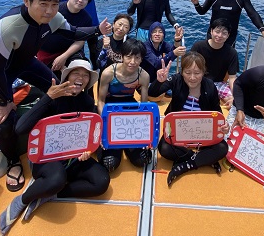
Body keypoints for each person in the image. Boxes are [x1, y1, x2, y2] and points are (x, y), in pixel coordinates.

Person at [0, 0, 111, 193]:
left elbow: (74, 32)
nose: (49, 11)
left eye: (54, 5)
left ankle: (63, 138)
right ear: (27, 1)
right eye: (43, 4)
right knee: (3, 120)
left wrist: (97, 30)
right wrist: (3, 101)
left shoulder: (53, 17)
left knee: (60, 89)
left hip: (25, 62)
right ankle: (13, 162)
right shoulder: (7, 27)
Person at [0, 60, 110, 236]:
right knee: (56, 179)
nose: (81, 78)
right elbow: (20, 129)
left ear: (88, 81)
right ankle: (22, 200)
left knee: (101, 181)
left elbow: (88, 136)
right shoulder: (52, 98)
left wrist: (87, 151)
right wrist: (48, 97)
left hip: (72, 157)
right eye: (76, 73)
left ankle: (49, 194)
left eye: (85, 75)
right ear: (67, 76)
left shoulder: (87, 101)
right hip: (46, 159)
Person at [149, 52, 230, 187]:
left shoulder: (210, 86)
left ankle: (185, 166)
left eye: (197, 73)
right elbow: (152, 93)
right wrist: (159, 81)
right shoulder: (176, 80)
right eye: (188, 72)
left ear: (204, 72)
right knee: (164, 148)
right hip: (179, 134)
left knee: (222, 148)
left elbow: (217, 113)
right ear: (182, 72)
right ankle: (203, 159)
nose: (192, 77)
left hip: (202, 134)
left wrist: (224, 126)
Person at [96, 39, 152, 172]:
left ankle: (126, 144)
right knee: (110, 164)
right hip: (110, 109)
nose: (132, 62)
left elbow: (144, 106)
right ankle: (116, 147)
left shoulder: (143, 76)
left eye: (137, 58)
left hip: (129, 108)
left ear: (141, 59)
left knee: (142, 160)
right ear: (122, 56)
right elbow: (101, 101)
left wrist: (143, 133)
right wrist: (105, 125)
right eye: (129, 57)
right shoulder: (108, 73)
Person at [59, 0, 122, 68]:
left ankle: (96, 72)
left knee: (94, 51)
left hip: (92, 25)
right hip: (72, 26)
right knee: (76, 52)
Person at [37, 0, 93, 72]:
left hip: (68, 53)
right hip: (44, 52)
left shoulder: (86, 18)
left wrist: (64, 56)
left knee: (81, 68)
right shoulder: (55, 10)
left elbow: (80, 42)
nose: (81, 0)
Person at [190, 18, 238, 108]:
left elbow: (232, 78)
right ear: (211, 31)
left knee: (234, 102)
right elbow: (188, 67)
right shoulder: (198, 46)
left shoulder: (232, 52)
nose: (220, 35)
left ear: (228, 35)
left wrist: (235, 97)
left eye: (224, 33)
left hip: (219, 83)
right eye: (217, 31)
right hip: (198, 81)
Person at [141, 21, 186, 86]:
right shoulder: (145, 47)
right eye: (154, 32)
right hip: (145, 81)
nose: (157, 34)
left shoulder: (163, 44)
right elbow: (157, 64)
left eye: (160, 32)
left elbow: (173, 50)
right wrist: (174, 53)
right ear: (150, 34)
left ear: (163, 35)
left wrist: (177, 40)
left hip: (158, 79)